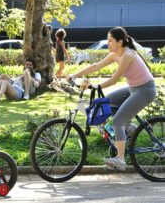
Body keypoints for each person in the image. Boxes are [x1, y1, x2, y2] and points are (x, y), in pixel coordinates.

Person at [66, 26, 156, 171]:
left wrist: (94, 86)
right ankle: (129, 128)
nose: (108, 43)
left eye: (110, 41)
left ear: (120, 42)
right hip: (133, 89)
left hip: (145, 91)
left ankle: (120, 159)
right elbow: (96, 66)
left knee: (117, 121)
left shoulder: (127, 55)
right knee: (106, 102)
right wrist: (74, 75)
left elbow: (114, 80)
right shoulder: (115, 54)